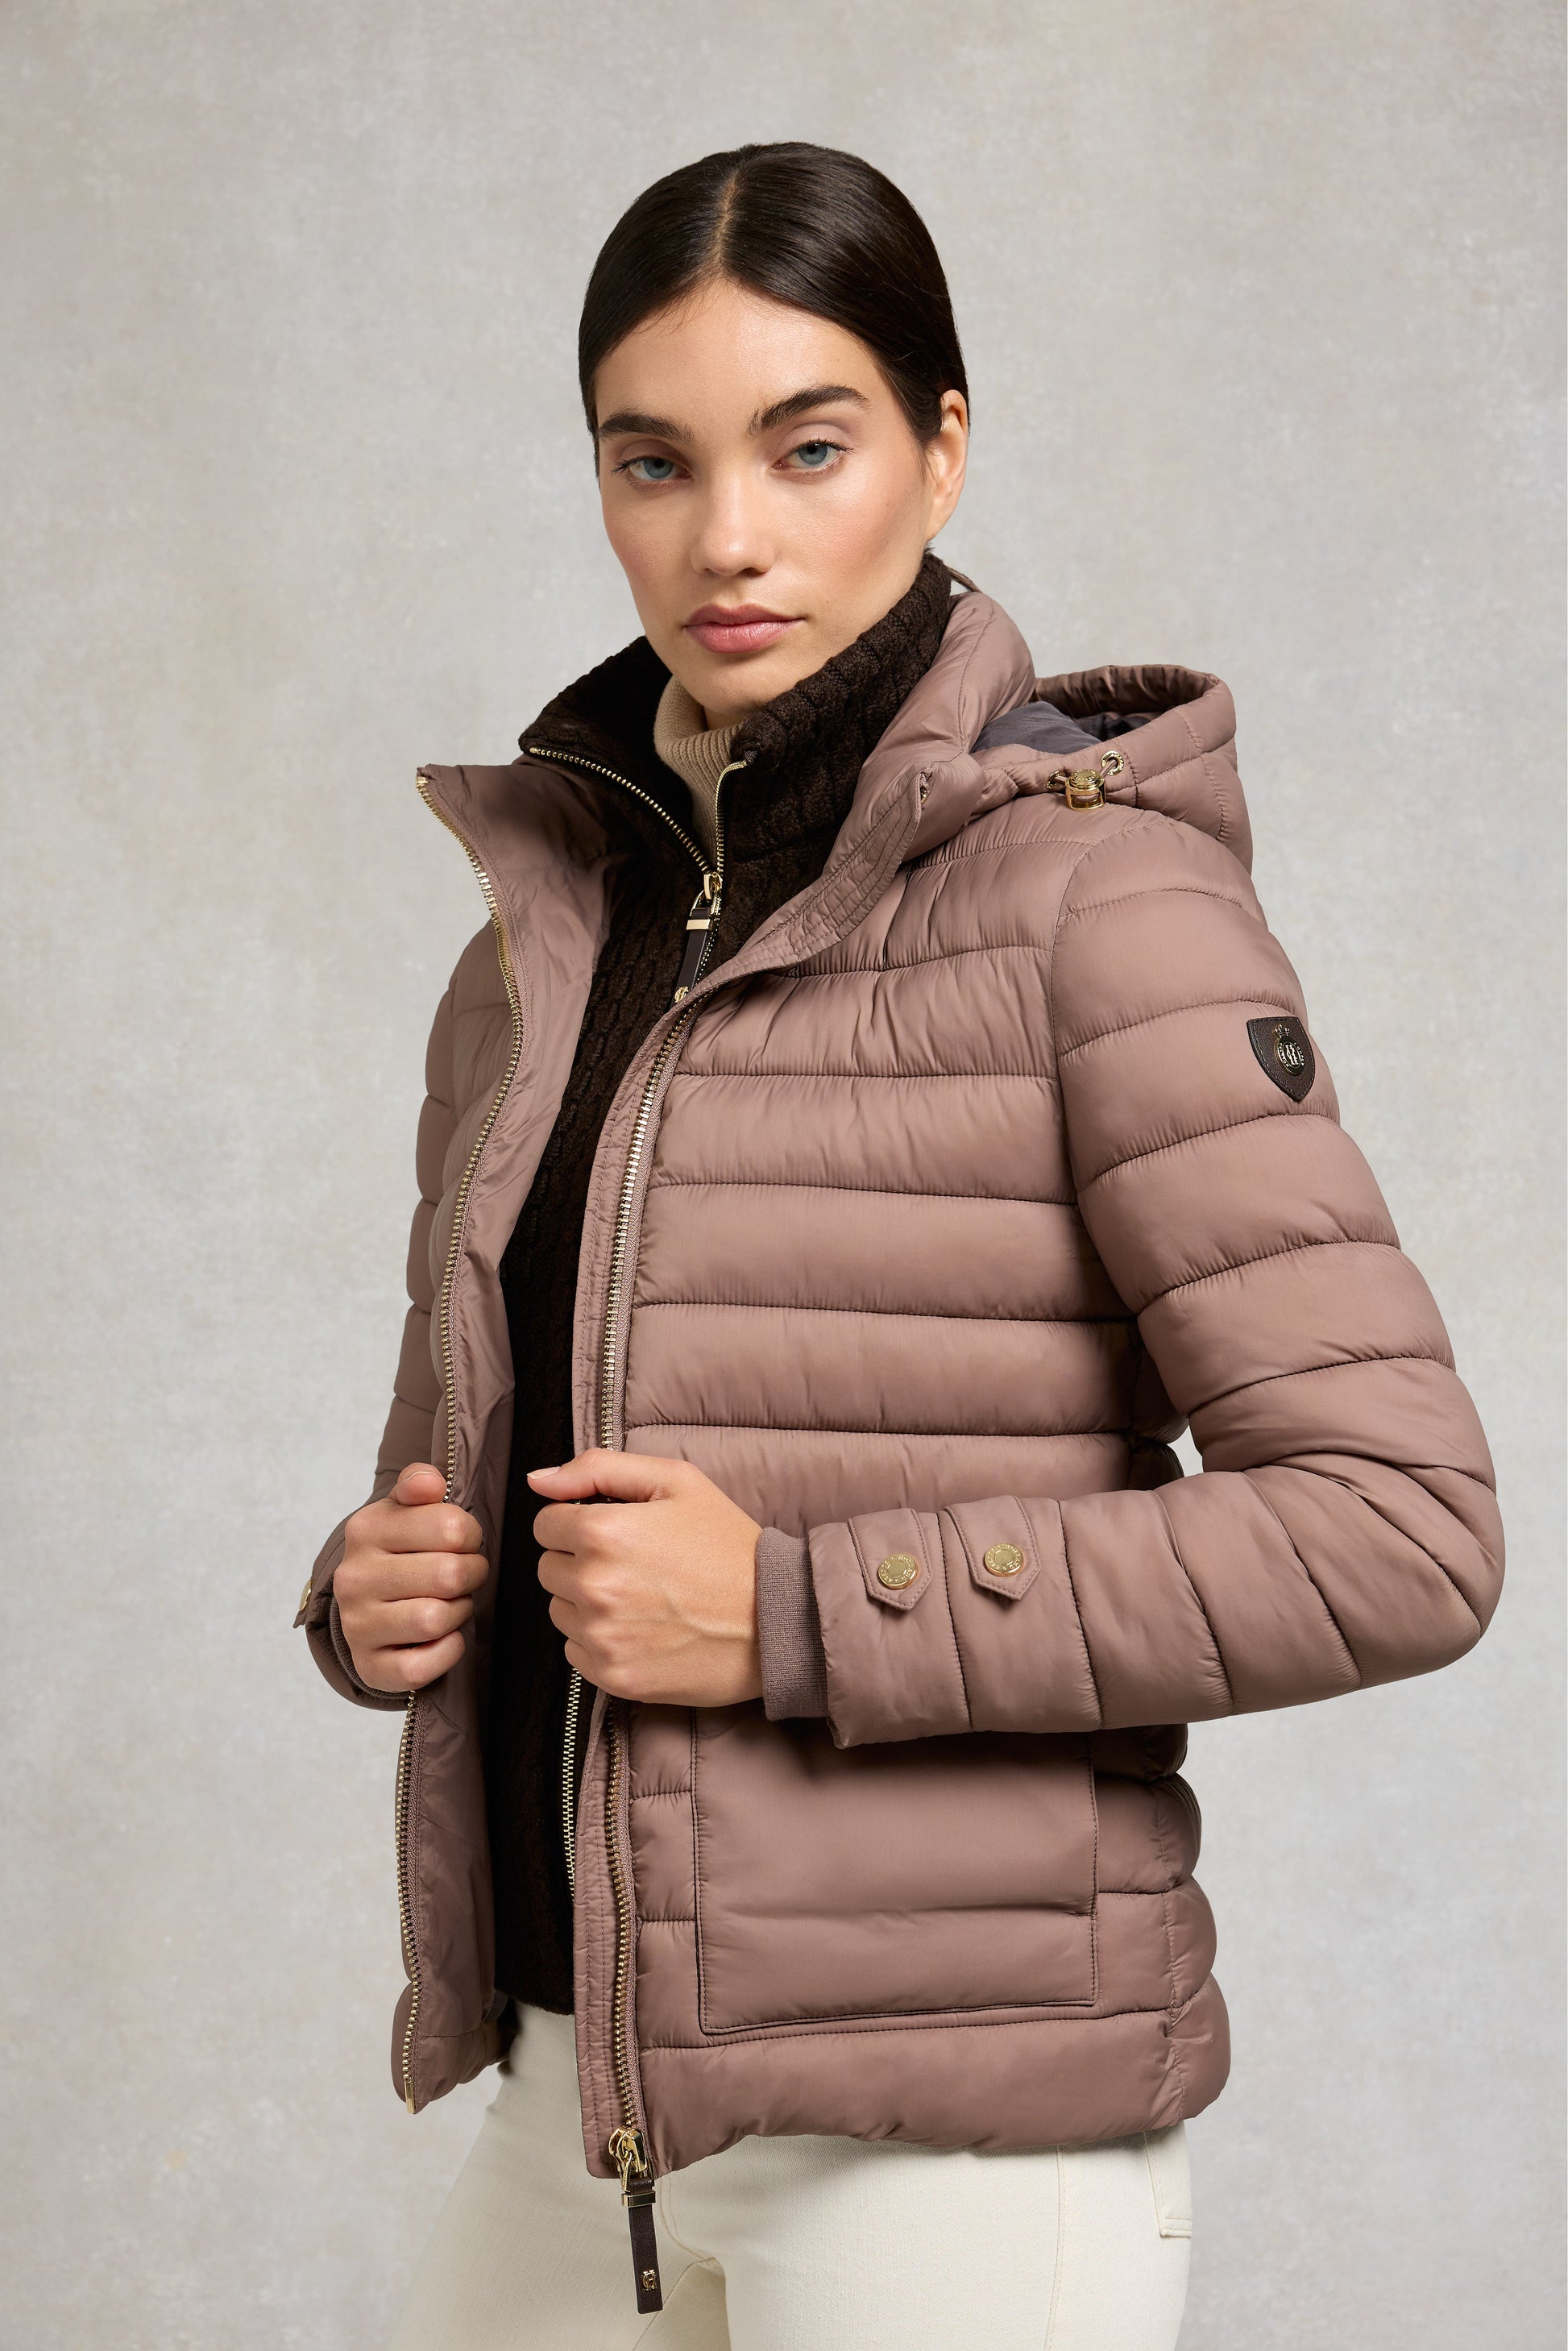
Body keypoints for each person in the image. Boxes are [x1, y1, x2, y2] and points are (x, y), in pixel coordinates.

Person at [296, 142, 1504, 2351]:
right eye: (652, 462)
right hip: (580, 2107)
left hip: (959, 2165)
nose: (726, 538)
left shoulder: (1102, 906)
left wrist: (783, 1611)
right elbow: (504, 1491)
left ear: (942, 449)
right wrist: (378, 1595)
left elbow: (1401, 1533)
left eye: (809, 446)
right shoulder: (536, 954)